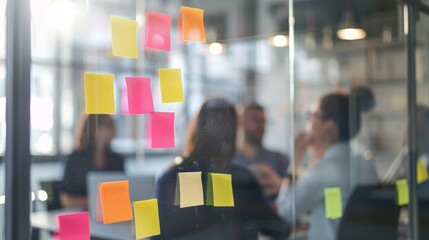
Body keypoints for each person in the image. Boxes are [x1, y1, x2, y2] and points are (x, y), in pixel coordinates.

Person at [253, 86, 378, 240]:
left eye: (313, 116)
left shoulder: (329, 167)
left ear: (330, 126)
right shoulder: (365, 163)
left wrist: (296, 160)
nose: (308, 123)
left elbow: (285, 212)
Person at [155, 98, 290, 240]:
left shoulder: (171, 177)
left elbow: (156, 235)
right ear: (232, 134)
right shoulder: (238, 179)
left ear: (196, 129)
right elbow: (279, 229)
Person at [59, 114, 124, 209]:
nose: (114, 128)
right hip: (82, 215)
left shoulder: (116, 160)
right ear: (94, 128)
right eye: (108, 124)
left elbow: (122, 195)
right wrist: (98, 202)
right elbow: (66, 200)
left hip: (110, 216)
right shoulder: (75, 159)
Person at [233, 103, 290, 198]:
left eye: (263, 121)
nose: (261, 126)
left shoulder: (279, 159)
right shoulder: (229, 159)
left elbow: (298, 192)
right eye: (256, 120)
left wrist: (282, 185)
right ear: (241, 122)